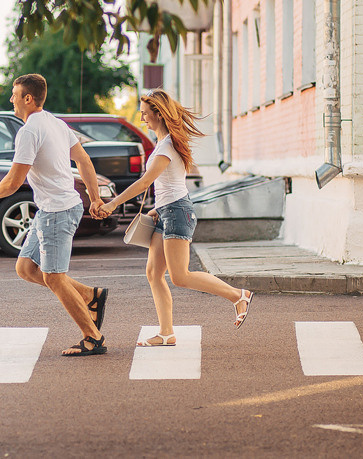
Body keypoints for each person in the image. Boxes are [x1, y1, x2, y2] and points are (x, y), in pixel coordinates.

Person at [94, 89, 253, 347]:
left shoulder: (167, 145)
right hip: (166, 211)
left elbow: (146, 181)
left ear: (158, 114)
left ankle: (238, 295)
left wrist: (112, 203)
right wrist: (158, 207)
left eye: (145, 114)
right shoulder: (163, 143)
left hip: (178, 213)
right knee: (154, 273)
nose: (142, 118)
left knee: (180, 276)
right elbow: (170, 184)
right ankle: (166, 333)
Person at [0, 74, 110, 356]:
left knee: (53, 277)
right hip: (55, 208)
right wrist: (94, 197)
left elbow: (14, 182)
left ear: (28, 98)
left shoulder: (29, 131)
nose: (11, 100)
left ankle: (93, 337)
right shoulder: (55, 122)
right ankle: (90, 296)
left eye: (15, 95)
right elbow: (84, 160)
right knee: (26, 268)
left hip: (57, 211)